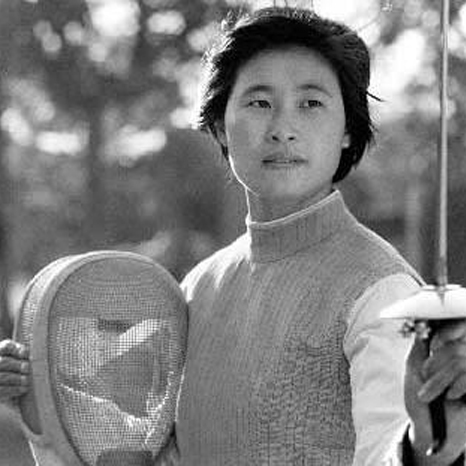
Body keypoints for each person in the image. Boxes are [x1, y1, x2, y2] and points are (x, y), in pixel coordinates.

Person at [1, 6, 466, 466]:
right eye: (259, 103)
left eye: (311, 103)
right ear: (220, 125)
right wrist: (40, 391)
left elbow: (390, 447)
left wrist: (421, 449)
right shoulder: (200, 286)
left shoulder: (382, 292)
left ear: (347, 129)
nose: (283, 130)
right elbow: (166, 454)